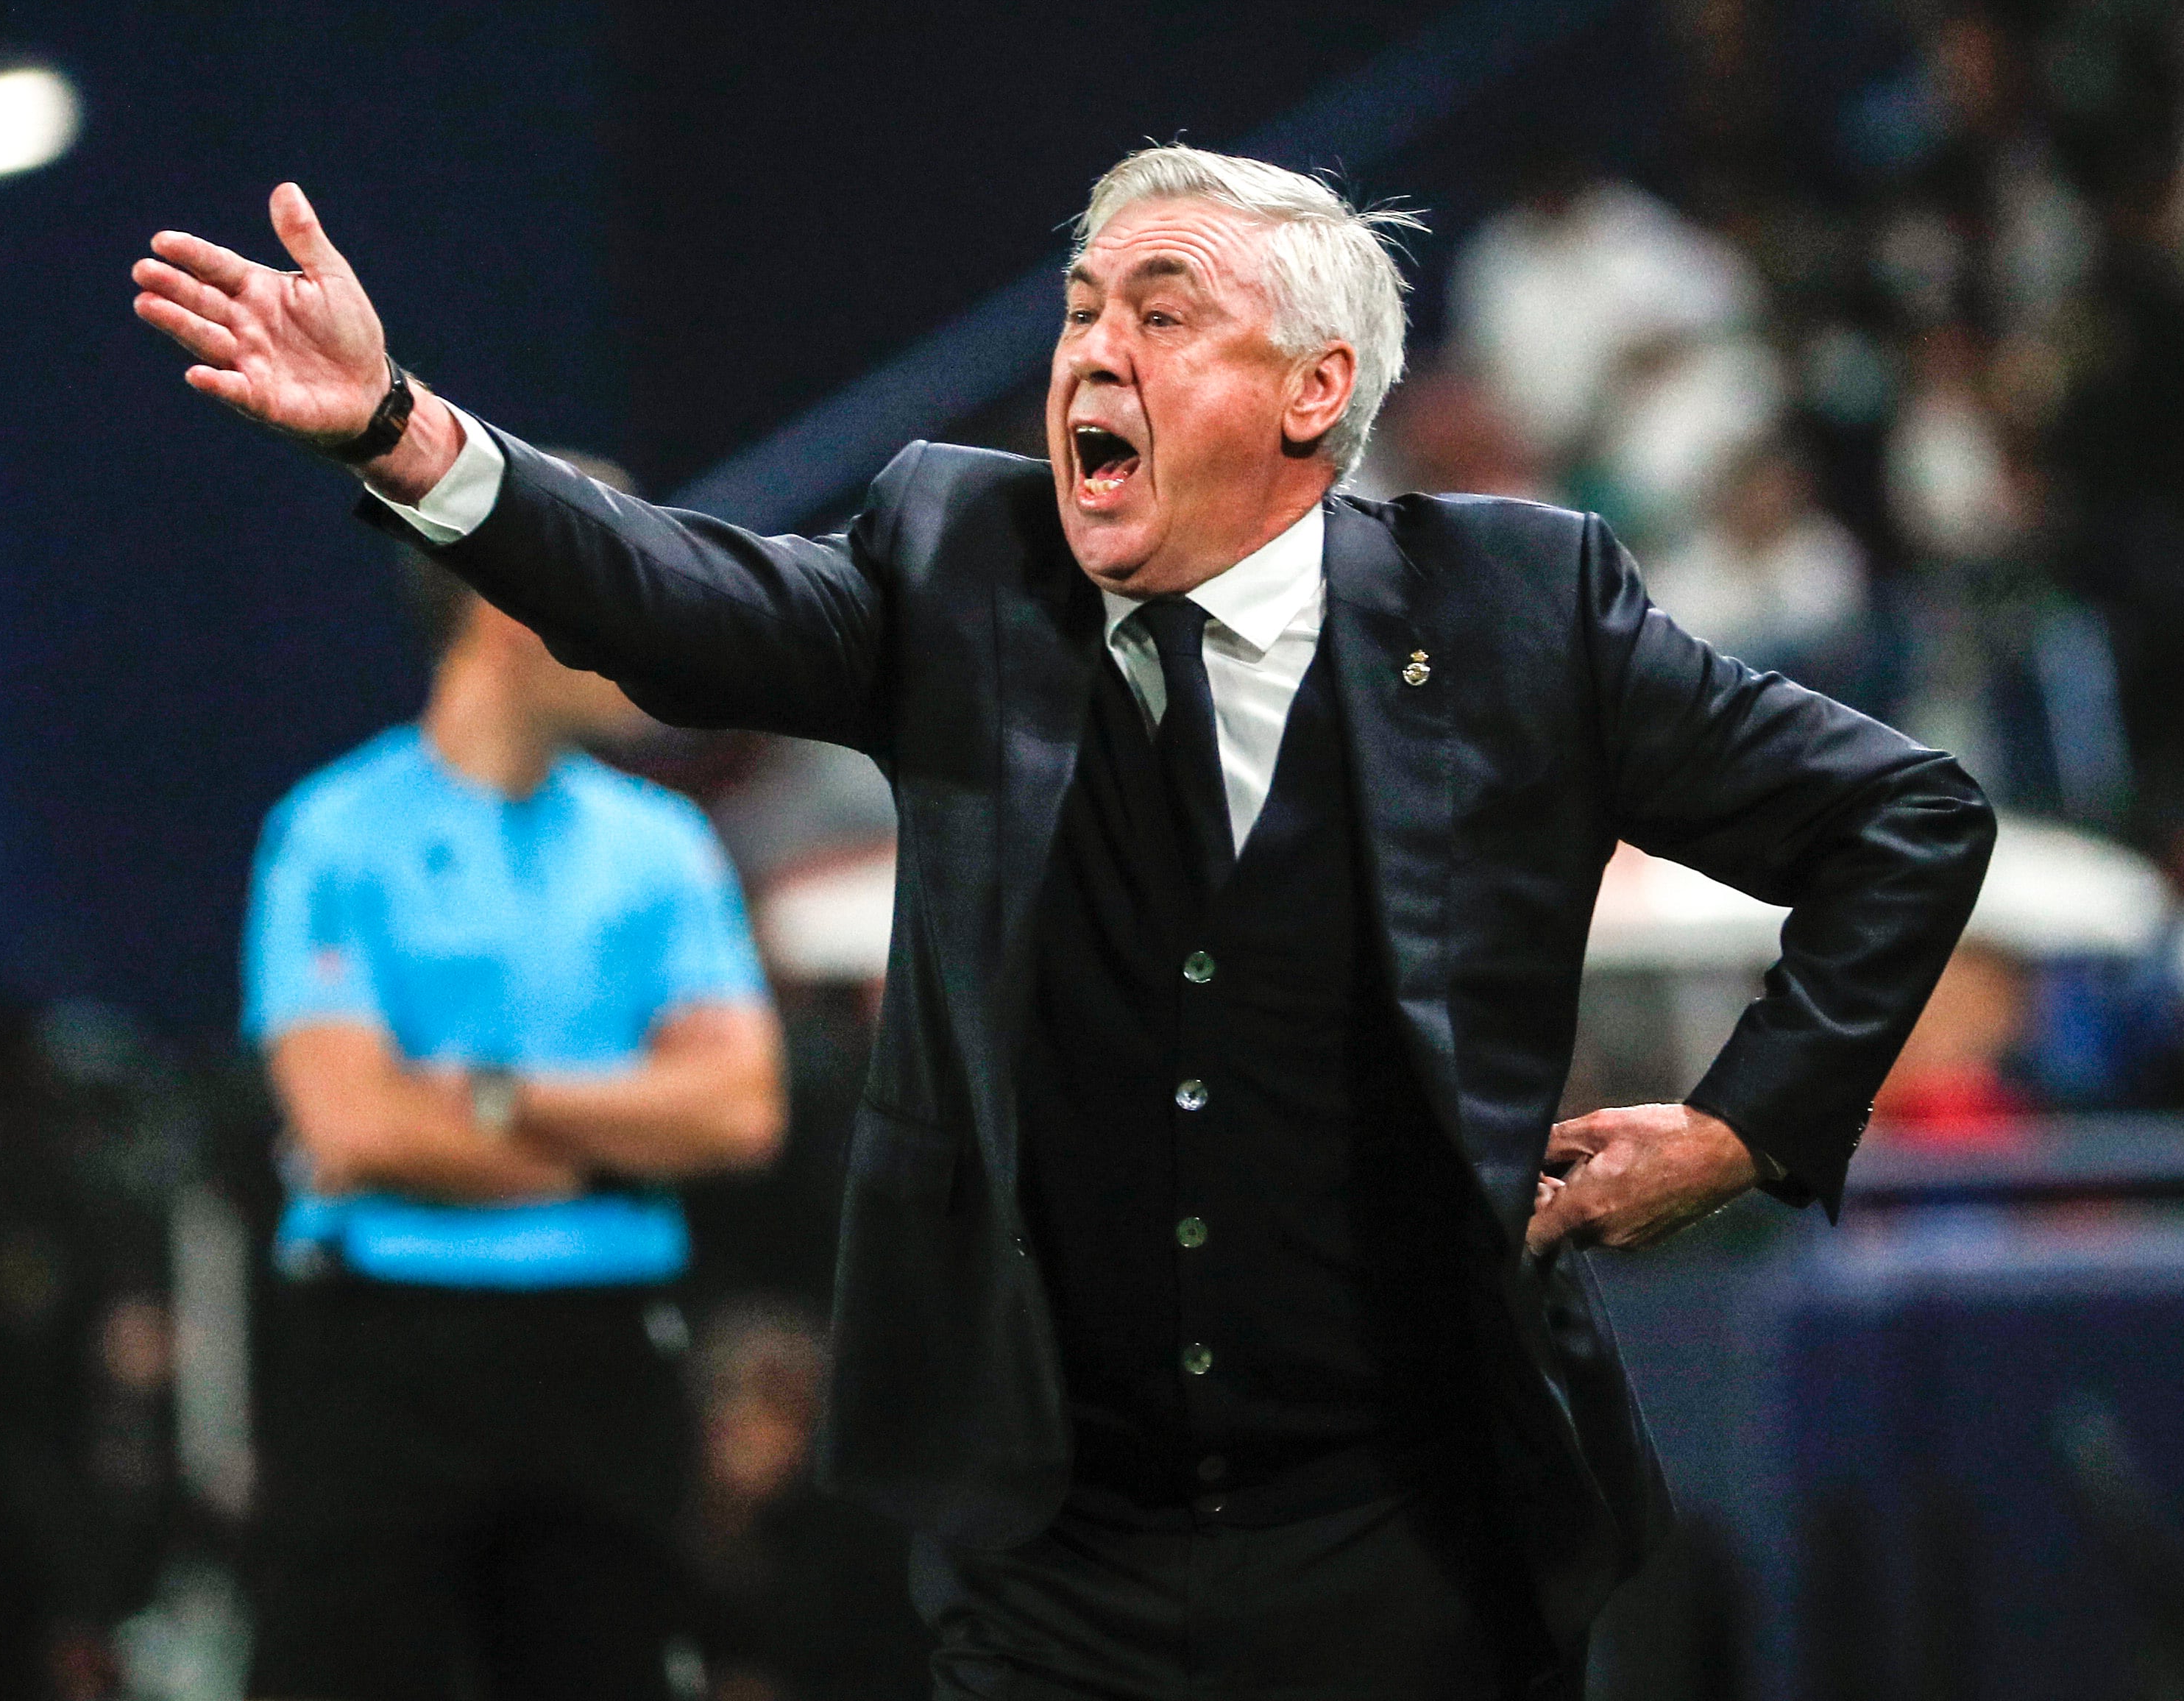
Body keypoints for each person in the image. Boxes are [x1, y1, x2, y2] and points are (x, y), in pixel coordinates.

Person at [135, 145, 1994, 1699]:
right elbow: (673, 593)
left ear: (1311, 391)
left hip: (1419, 1539)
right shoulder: (963, 566)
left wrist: (1741, 1129)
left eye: (1160, 312)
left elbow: (1903, 818)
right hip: (1059, 1550)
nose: (1091, 350)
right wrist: (401, 429)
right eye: (1081, 309)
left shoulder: (1519, 610)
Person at [237, 532, 786, 1701]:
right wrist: (617, 1152)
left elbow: (741, 1112)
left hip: (602, 1356)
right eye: (623, 595)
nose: (654, 634)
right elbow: (353, 1130)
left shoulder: (665, 846)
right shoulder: (331, 832)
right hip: (382, 1356)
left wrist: (491, 1096)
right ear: (515, 608)